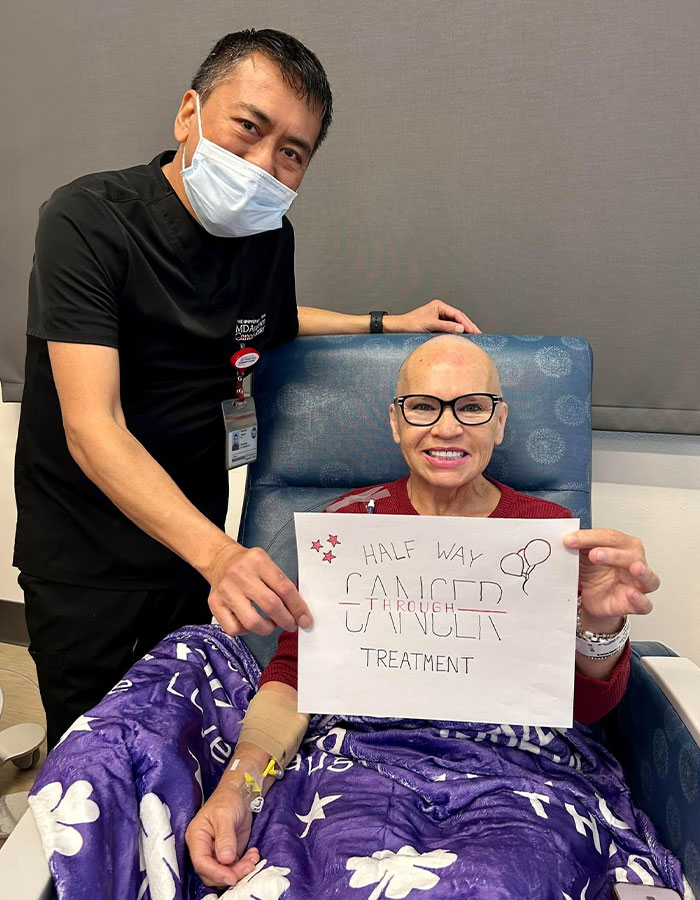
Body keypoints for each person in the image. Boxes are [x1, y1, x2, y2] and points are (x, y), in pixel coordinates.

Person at [13, 29, 481, 749]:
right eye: (249, 128)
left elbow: (270, 322)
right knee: (91, 747)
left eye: (292, 153)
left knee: (174, 736)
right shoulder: (90, 219)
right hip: (86, 549)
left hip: (190, 538)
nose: (263, 165)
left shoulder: (267, 235)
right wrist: (222, 557)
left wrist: (385, 322)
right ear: (189, 114)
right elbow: (92, 425)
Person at [185, 336, 664, 894]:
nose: (446, 427)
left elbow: (582, 708)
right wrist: (237, 788)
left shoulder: (549, 534)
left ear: (500, 421)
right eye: (423, 406)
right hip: (361, 764)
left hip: (512, 772)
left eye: (472, 406)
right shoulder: (349, 526)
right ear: (396, 422)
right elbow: (297, 676)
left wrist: (600, 627)